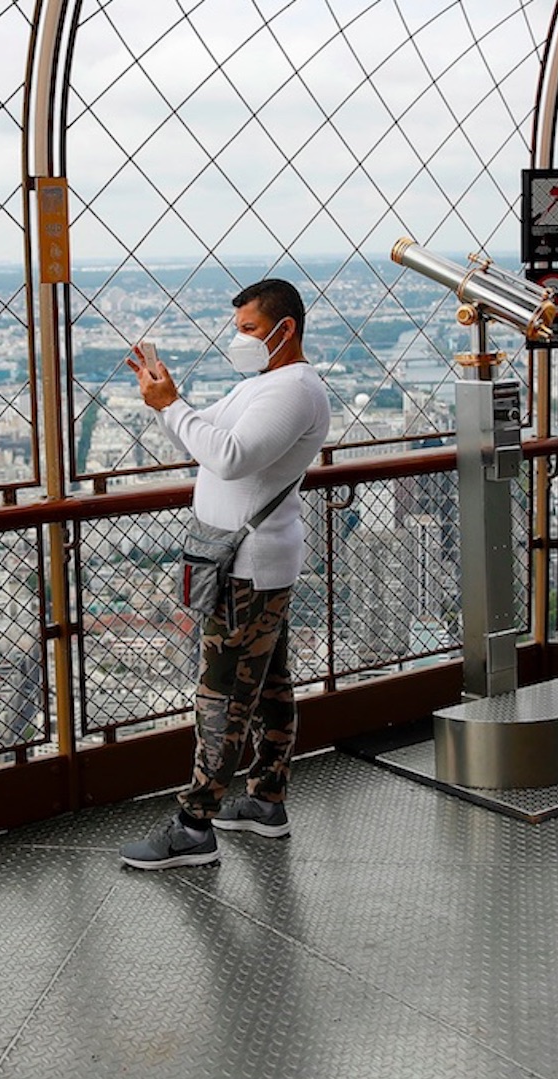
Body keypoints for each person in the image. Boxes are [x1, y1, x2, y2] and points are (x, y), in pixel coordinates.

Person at [118, 279, 331, 869]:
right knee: (268, 686)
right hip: (246, 563)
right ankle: (266, 800)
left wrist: (171, 408)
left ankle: (194, 825)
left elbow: (230, 456)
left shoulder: (292, 391)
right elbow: (203, 432)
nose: (239, 340)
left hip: (249, 569)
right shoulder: (262, 384)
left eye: (249, 329)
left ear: (285, 329)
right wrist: (168, 401)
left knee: (224, 694)